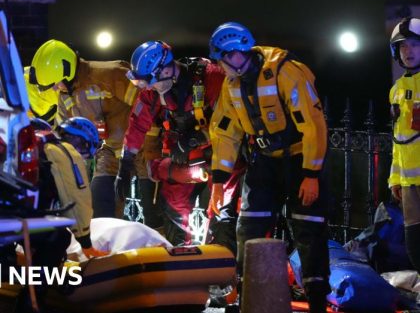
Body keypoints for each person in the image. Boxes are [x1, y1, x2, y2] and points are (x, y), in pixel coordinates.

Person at [208, 22, 330, 313]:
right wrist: (217, 181)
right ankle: (247, 296)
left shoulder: (285, 72)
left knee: (309, 230)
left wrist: (311, 174)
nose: (219, 67)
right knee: (248, 226)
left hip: (300, 160)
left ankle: (316, 301)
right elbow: (225, 132)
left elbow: (313, 126)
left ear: (235, 54)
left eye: (221, 60)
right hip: (263, 161)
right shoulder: (232, 83)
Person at [115, 41, 243, 250]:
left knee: (222, 206)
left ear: (166, 69)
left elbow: (231, 121)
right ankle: (180, 253)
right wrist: (126, 162)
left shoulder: (212, 78)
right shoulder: (152, 92)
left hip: (220, 151)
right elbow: (137, 124)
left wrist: (196, 139)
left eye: (150, 81)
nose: (147, 87)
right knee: (172, 198)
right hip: (183, 155)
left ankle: (223, 264)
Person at [28, 39, 160, 222]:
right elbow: (64, 135)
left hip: (142, 148)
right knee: (101, 209)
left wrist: (152, 147)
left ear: (66, 70)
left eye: (56, 83)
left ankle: (160, 246)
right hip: (108, 153)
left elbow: (149, 105)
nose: (56, 88)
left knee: (153, 210)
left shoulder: (110, 74)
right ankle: (109, 249)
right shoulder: (66, 95)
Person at [32, 117, 108, 259]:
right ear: (80, 140)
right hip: (14, 216)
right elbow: (77, 197)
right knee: (58, 237)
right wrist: (85, 242)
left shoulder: (33, 144)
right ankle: (43, 279)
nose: (81, 157)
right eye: (84, 152)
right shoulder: (63, 151)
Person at [388, 17, 420, 274]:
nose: (408, 51)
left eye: (413, 45)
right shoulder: (397, 89)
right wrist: (395, 179)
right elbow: (399, 140)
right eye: (402, 47)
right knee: (415, 246)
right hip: (410, 186)